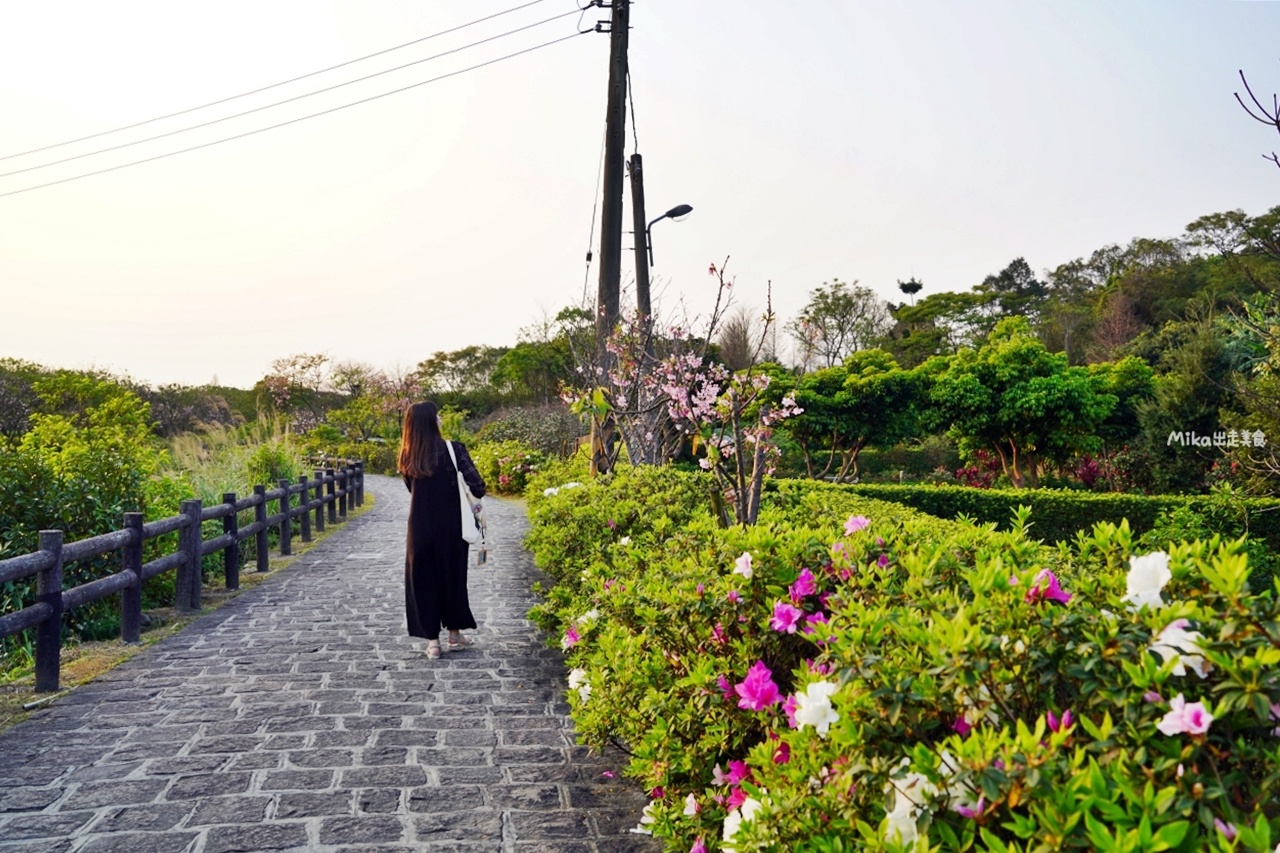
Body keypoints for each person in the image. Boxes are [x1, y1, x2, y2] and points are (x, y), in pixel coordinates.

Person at [398, 401, 486, 659]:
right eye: (437, 415)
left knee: (422, 580)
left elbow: (411, 489)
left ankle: (433, 643)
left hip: (419, 528)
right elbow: (477, 486)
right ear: (430, 421)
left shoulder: (407, 455)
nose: (441, 418)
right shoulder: (454, 449)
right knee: (453, 578)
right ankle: (455, 635)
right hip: (452, 526)